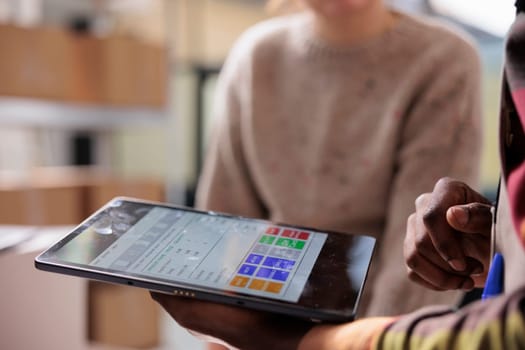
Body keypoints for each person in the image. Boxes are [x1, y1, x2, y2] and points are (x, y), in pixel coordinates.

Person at [150, 2, 525, 348]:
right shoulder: (256, 57)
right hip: (268, 319)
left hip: (375, 331)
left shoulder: (442, 59)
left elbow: (416, 266)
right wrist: (226, 338)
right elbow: (224, 224)